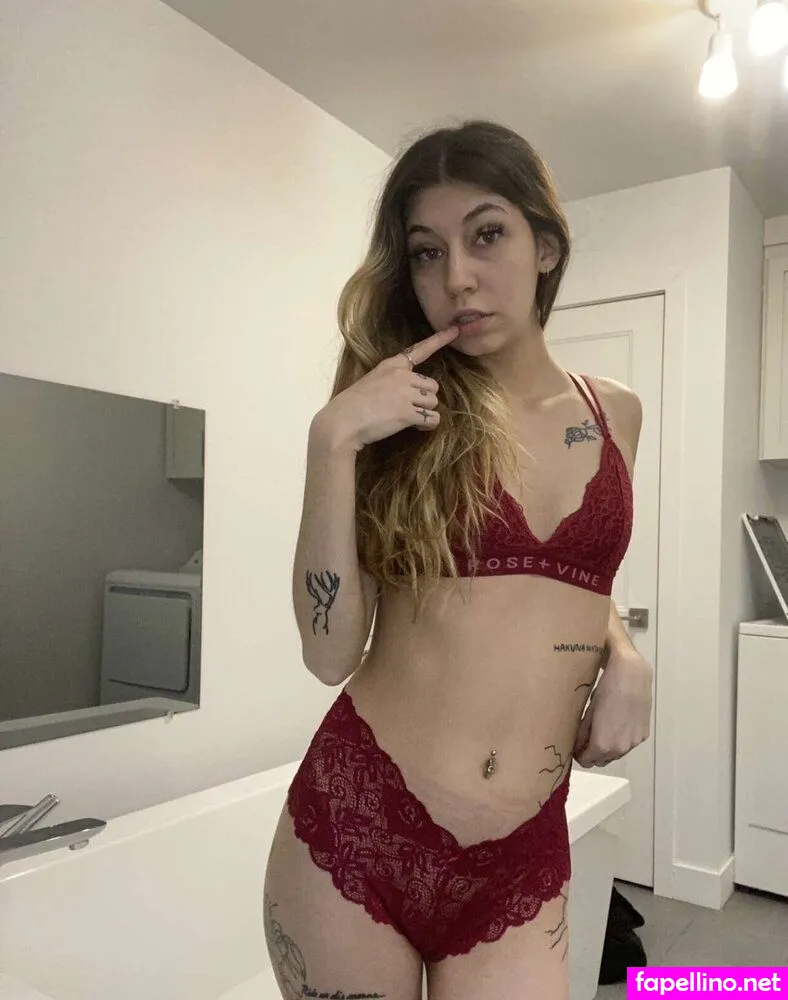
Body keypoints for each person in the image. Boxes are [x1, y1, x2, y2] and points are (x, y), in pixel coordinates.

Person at [263, 118, 654, 1000]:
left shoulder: (614, 413)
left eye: (487, 235)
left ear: (545, 245)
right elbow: (329, 652)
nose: (457, 280)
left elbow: (573, 584)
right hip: (360, 831)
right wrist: (332, 441)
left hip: (521, 860)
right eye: (427, 253)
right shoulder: (400, 414)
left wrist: (625, 652)